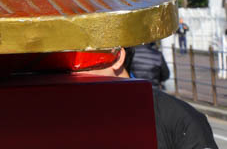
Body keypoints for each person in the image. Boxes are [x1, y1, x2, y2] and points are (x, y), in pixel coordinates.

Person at [82, 46, 217, 149]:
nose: (67, 68)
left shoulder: (180, 119)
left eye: (79, 58)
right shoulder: (68, 116)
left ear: (116, 57)